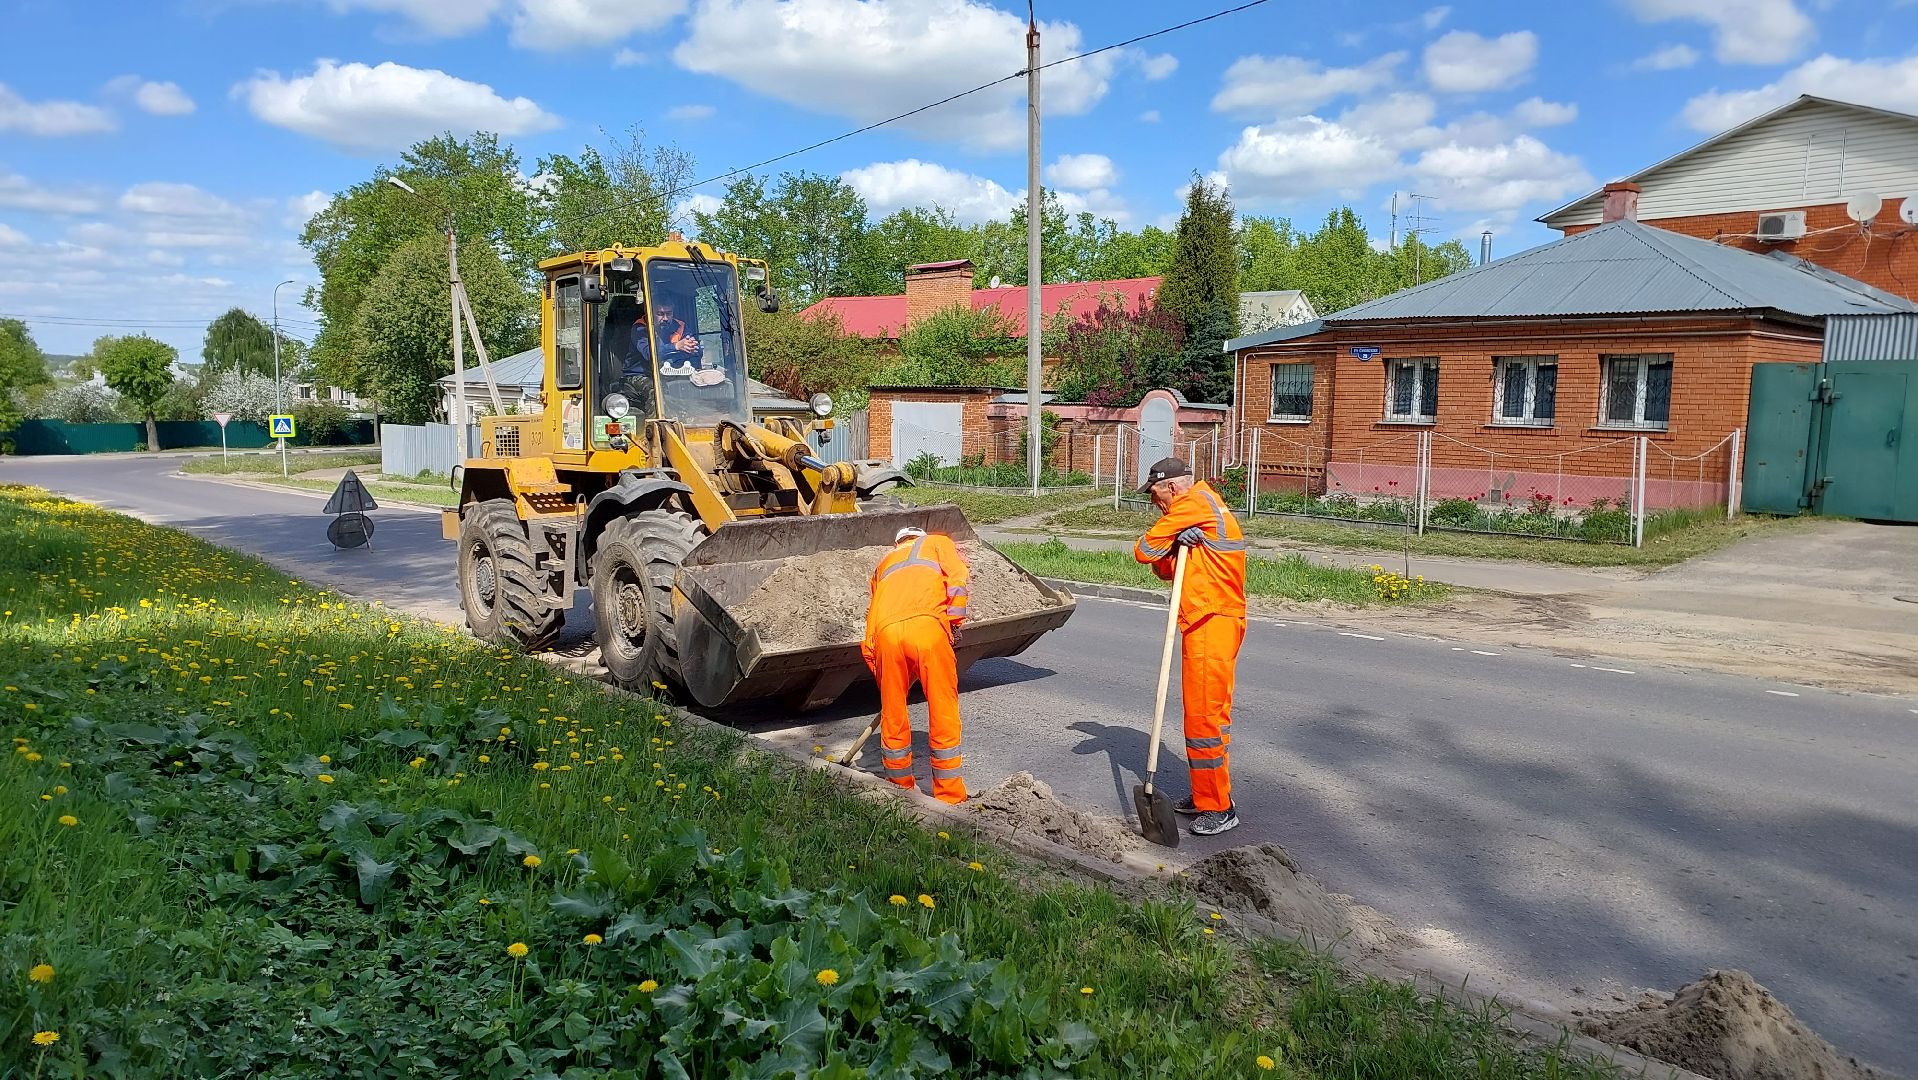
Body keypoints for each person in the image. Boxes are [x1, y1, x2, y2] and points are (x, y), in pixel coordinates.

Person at [1132, 457, 1247, 836]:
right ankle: (1205, 794)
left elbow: (1144, 549)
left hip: (1212, 621)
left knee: (1204, 720)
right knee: (1207, 716)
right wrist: (1176, 544)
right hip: (1208, 620)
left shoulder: (1193, 503)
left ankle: (1219, 806)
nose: (1156, 504)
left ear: (1173, 488)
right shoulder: (1198, 509)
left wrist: (1168, 539)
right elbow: (1164, 566)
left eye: (1156, 496)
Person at [861, 524, 971, 805]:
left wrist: (884, 673)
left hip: (886, 637)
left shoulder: (883, 565)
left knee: (893, 712)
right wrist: (955, 622)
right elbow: (957, 578)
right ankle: (950, 796)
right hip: (929, 630)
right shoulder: (937, 543)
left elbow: (872, 621)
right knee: (943, 709)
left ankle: (900, 789)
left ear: (897, 543)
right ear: (918, 538)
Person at [651, 297, 703, 376]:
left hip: (676, 370)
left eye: (669, 314)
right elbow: (650, 354)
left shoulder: (680, 326)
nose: (665, 318)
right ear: (651, 313)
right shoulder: (641, 328)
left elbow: (697, 351)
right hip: (647, 373)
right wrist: (677, 346)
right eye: (660, 314)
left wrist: (693, 346)